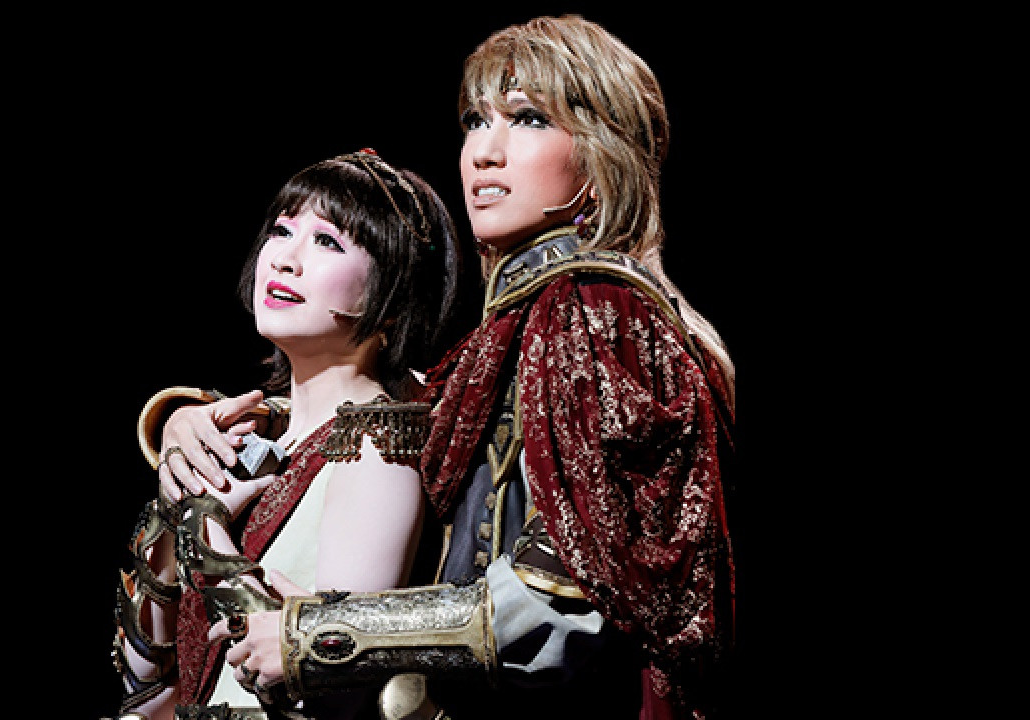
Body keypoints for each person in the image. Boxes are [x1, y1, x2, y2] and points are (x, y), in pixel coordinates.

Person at [149, 14, 737, 719]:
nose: (484, 152)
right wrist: (193, 420)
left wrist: (315, 636)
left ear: (601, 152)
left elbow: (570, 587)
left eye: (528, 119)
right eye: (474, 121)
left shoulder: (592, 307)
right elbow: (395, 409)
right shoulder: (533, 318)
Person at [107, 149, 474, 720]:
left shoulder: (373, 450)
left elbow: (326, 688)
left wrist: (203, 527)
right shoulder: (250, 435)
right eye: (282, 230)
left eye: (328, 241)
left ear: (394, 301)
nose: (284, 259)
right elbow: (146, 681)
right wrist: (178, 503)